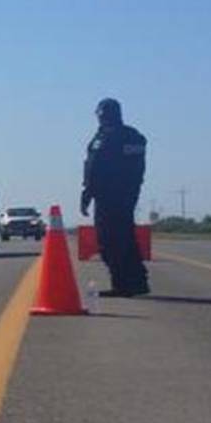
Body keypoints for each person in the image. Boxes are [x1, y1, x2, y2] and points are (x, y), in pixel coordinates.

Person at [81, 98, 150, 297]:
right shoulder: (117, 136)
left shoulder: (119, 137)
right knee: (121, 239)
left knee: (112, 241)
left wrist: (90, 192)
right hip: (115, 194)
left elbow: (98, 167)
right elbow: (95, 166)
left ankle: (125, 284)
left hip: (114, 195)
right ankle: (136, 282)